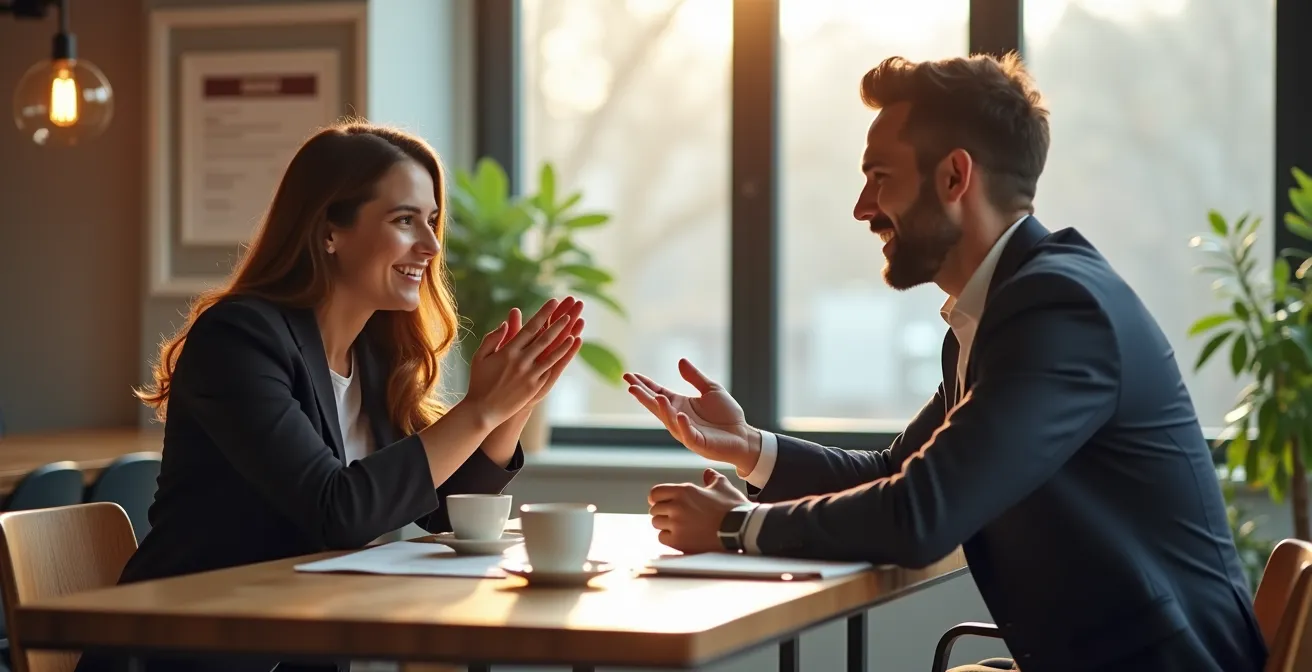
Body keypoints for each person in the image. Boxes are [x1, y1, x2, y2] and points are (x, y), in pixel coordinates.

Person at [625, 54, 1267, 672]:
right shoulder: (995, 312)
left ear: (955, 177)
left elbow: (920, 515)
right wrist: (748, 447)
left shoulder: (1059, 310)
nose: (862, 208)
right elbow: (895, 472)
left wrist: (738, 526)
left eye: (880, 178)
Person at [75, 121, 585, 672]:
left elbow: (442, 510)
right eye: (404, 220)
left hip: (298, 645)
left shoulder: (377, 352)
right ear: (329, 232)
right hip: (194, 652)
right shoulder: (239, 338)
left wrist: (510, 406)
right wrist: (479, 409)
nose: (432, 245)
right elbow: (337, 510)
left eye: (433, 222)